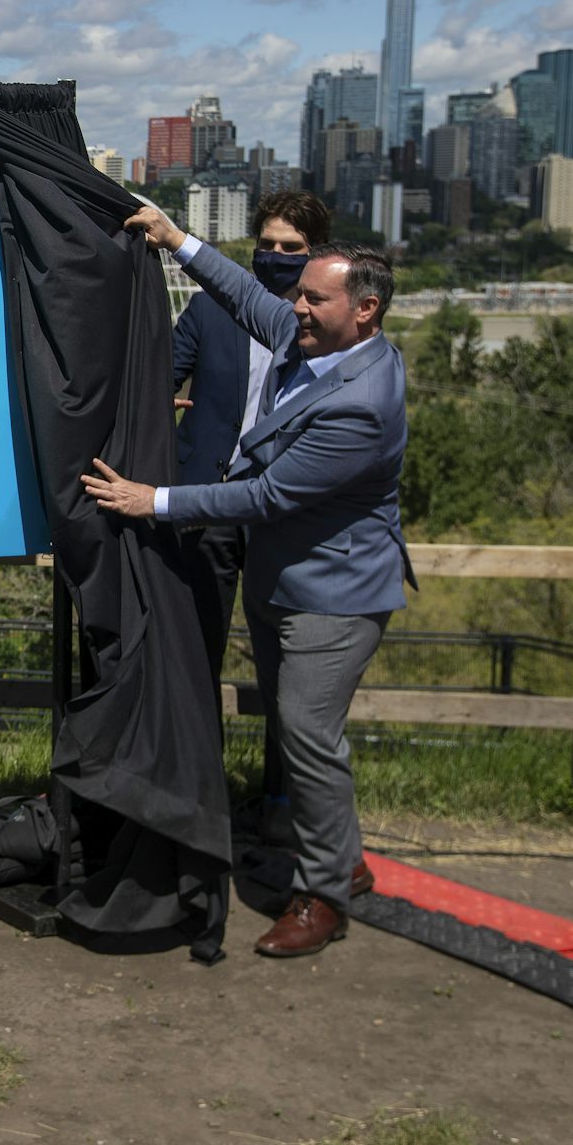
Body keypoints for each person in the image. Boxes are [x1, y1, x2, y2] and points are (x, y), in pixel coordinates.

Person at [84, 205, 413, 958]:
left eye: (313, 297)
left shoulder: (361, 400)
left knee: (306, 738)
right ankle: (347, 862)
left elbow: (263, 496)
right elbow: (244, 295)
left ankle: (324, 896)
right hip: (283, 580)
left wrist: (151, 501)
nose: (295, 304)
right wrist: (177, 240)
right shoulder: (318, 343)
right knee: (302, 736)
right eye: (298, 294)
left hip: (334, 598)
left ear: (364, 310)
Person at [171, 190, 333, 844]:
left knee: (287, 674)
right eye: (265, 246)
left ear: (315, 254)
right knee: (195, 657)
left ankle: (280, 802)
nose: (274, 258)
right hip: (209, 511)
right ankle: (198, 797)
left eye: (290, 250)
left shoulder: (331, 330)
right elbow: (157, 377)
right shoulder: (210, 313)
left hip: (284, 520)